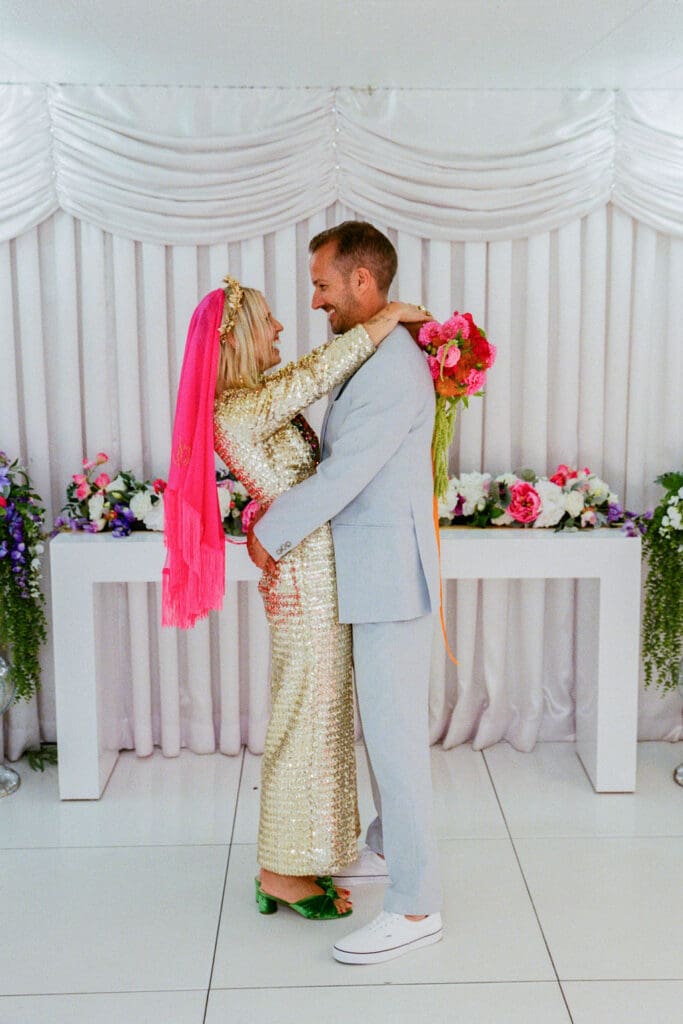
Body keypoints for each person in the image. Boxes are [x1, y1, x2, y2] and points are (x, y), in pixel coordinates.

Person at [162, 273, 428, 922]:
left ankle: (304, 857)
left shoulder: (253, 398)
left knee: (321, 720)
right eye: (270, 320)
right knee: (303, 722)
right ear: (241, 337)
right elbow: (316, 371)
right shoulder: (237, 405)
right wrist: (384, 318)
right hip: (303, 583)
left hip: (313, 576)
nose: (283, 327)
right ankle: (280, 871)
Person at [248, 221, 444, 964]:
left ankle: (416, 905)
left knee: (397, 749)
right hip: (371, 576)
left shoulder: (392, 367)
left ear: (363, 282)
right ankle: (390, 850)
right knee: (385, 739)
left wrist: (273, 530)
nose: (315, 299)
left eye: (323, 285)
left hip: (391, 581)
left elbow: (344, 475)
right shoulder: (373, 353)